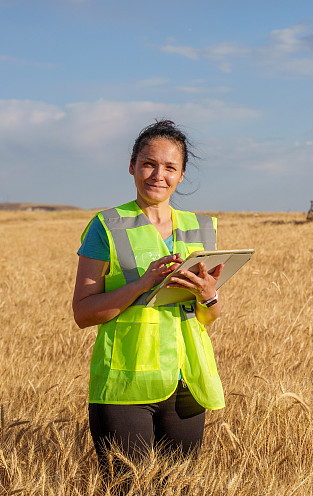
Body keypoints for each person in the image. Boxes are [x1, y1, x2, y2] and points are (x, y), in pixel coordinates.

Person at [72, 120, 225, 475]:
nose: (159, 175)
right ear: (132, 166)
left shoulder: (200, 228)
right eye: (148, 163)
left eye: (170, 167)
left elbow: (208, 316)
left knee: (179, 487)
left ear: (182, 175)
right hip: (125, 386)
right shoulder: (106, 225)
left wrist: (209, 296)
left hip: (187, 383)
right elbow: (83, 313)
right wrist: (142, 284)